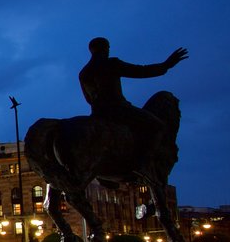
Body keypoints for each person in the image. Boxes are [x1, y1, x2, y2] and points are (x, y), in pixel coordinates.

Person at [78, 37, 187, 166]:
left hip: (97, 113)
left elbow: (88, 99)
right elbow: (140, 71)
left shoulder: (84, 73)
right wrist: (165, 65)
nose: (108, 51)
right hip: (119, 110)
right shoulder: (111, 64)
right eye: (107, 48)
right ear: (105, 48)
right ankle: (143, 164)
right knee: (157, 126)